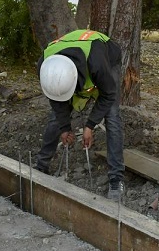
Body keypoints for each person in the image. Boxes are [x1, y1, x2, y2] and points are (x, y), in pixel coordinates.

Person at [35, 29, 126, 200]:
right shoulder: (45, 65)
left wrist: (90, 125)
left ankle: (116, 178)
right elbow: (55, 99)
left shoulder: (98, 64)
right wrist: (64, 127)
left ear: (77, 79)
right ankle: (41, 166)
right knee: (56, 117)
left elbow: (108, 95)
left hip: (107, 57)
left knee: (112, 117)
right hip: (74, 65)